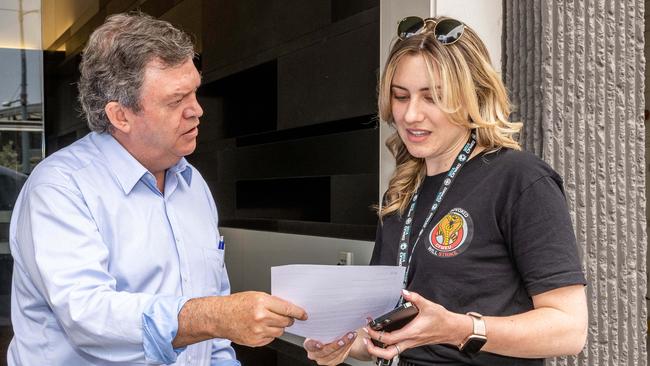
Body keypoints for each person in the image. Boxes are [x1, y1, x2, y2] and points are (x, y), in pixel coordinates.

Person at [8, 12, 306, 365]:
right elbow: (88, 317)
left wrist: (219, 327)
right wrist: (214, 315)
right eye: (176, 100)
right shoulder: (60, 188)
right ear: (120, 115)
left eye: (195, 91)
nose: (197, 110)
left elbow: (214, 335)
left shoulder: (192, 184)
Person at [304, 16, 587, 366]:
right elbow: (380, 329)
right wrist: (343, 344)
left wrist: (456, 329)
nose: (410, 115)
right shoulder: (402, 190)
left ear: (474, 96)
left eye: (433, 97)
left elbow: (569, 329)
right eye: (400, 96)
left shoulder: (520, 178)